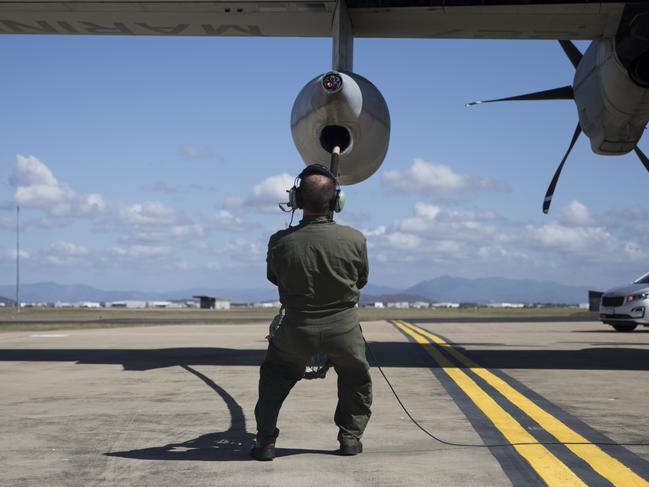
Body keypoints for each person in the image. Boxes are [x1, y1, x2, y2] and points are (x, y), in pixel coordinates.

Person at [251, 164, 372, 461]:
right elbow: (361, 279)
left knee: (274, 376)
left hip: (296, 329)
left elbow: (274, 277)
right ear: (336, 202)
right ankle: (350, 439)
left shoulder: (279, 241)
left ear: (297, 200)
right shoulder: (355, 239)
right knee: (356, 378)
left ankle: (266, 442)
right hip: (343, 329)